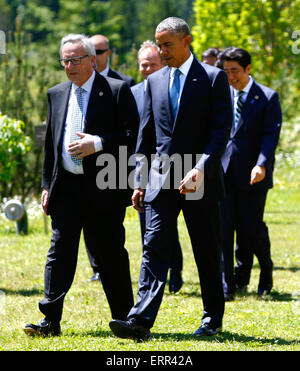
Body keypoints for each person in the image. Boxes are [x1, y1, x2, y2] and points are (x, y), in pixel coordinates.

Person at [109, 17, 232, 341]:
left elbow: (221, 131)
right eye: (159, 45)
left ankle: (212, 319)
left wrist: (200, 168)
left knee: (205, 248)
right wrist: (137, 181)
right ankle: (139, 320)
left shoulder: (213, 78)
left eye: (168, 45)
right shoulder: (154, 81)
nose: (162, 52)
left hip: (199, 179)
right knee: (153, 244)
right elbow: (146, 137)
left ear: (186, 41)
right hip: (161, 179)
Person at [24, 34, 139, 336]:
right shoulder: (56, 93)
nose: (70, 65)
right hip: (67, 189)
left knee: (110, 253)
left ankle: (125, 318)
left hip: (104, 187)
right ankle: (50, 321)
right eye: (65, 60)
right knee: (59, 253)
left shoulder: (116, 90)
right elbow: (51, 143)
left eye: (76, 59)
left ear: (92, 60)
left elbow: (132, 135)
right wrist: (47, 184)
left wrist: (98, 143)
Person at [217, 47, 282, 300]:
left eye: (235, 71)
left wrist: (262, 164)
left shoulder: (267, 97)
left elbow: (270, 135)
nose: (230, 77)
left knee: (250, 229)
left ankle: (265, 270)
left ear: (248, 69)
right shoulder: (221, 95)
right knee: (223, 228)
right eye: (226, 72)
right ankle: (227, 285)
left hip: (254, 175)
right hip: (223, 174)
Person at [131, 40, 183, 294]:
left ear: (162, 63)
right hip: (148, 168)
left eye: (152, 64)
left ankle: (177, 272)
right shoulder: (133, 93)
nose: (147, 68)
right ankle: (153, 280)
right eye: (143, 64)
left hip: (179, 164)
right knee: (150, 227)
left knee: (169, 225)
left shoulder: (174, 87)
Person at [83, 34, 136, 283]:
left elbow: (130, 129)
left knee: (112, 224)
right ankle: (96, 267)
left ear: (108, 53)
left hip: (113, 163)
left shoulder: (124, 83)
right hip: (83, 164)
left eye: (100, 51)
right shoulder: (79, 83)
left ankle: (110, 265)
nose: (96, 56)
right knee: (88, 224)